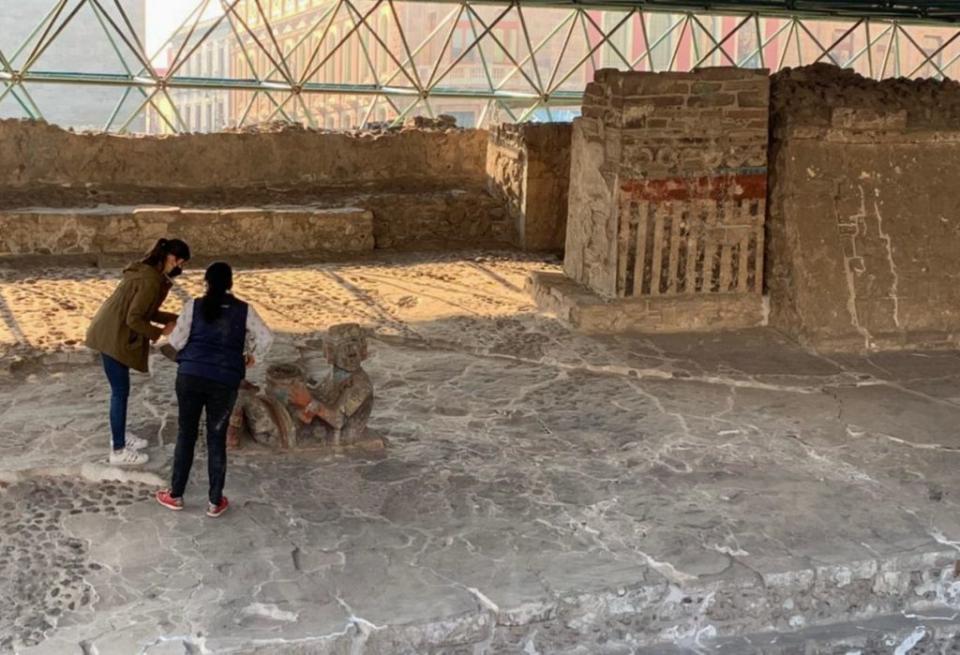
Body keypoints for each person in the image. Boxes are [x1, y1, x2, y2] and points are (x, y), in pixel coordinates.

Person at [155, 262, 273, 518]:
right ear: (231, 283)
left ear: (206, 282)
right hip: (224, 380)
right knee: (216, 437)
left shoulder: (194, 306)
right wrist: (253, 357)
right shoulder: (244, 310)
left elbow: (176, 341)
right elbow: (266, 337)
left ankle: (175, 495)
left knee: (186, 434)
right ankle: (214, 501)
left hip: (190, 376)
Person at [86, 238, 191, 467]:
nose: (179, 267)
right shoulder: (151, 280)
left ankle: (120, 434)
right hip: (112, 335)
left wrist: (174, 318)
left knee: (121, 390)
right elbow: (134, 318)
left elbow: (146, 310)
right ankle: (118, 449)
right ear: (172, 258)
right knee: (120, 392)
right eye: (179, 262)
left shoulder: (148, 273)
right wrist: (159, 332)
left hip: (110, 329)